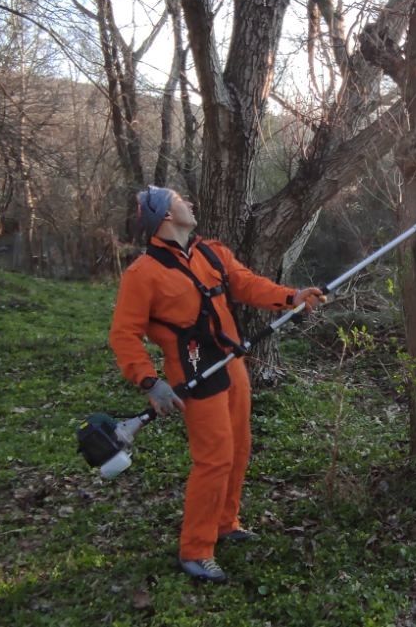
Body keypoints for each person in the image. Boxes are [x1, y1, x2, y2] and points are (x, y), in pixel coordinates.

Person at [109, 186, 324, 583]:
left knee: (240, 447)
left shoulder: (211, 253)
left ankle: (226, 522)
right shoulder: (143, 273)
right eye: (179, 201)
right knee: (214, 458)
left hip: (231, 362)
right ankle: (195, 549)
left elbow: (247, 284)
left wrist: (292, 296)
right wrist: (149, 381)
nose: (189, 203)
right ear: (165, 217)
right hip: (192, 370)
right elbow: (124, 334)